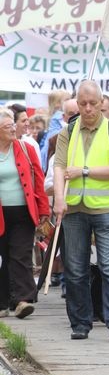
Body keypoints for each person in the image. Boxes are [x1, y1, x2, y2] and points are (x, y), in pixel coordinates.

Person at [53, 80, 109, 341]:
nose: (87, 109)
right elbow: (59, 167)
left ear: (101, 104)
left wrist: (85, 171)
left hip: (105, 208)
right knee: (75, 269)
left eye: (92, 104)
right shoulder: (68, 132)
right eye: (82, 103)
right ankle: (80, 323)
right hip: (74, 209)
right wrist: (59, 199)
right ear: (77, 103)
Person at [0, 108, 49, 319]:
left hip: (22, 212)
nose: (13, 129)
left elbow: (38, 179)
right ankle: (2, 303)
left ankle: (22, 300)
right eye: (7, 126)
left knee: (20, 255)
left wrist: (44, 210)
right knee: (2, 258)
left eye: (13, 125)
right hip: (1, 213)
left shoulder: (26, 148)